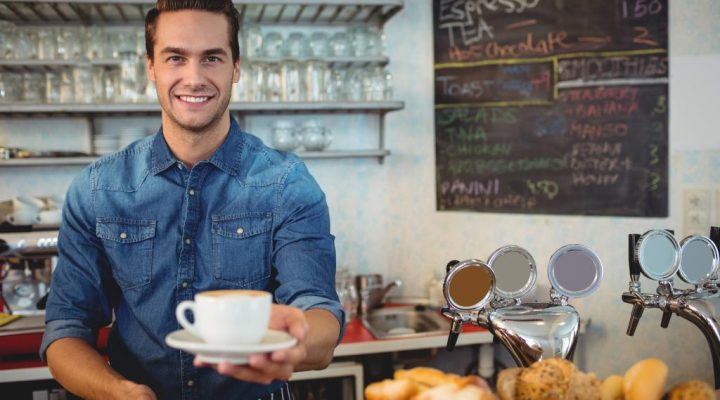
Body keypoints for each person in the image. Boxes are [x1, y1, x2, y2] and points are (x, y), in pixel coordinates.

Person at [39, 1, 344, 399]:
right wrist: (119, 393)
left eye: (212, 58)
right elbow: (65, 328)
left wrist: (299, 340)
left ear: (236, 67)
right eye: (175, 58)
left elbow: (317, 306)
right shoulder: (97, 189)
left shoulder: (287, 184)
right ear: (151, 67)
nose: (194, 77)